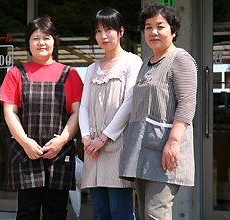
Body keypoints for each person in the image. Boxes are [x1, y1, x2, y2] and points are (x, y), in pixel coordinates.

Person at [119, 2, 197, 220]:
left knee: (156, 214)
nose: (153, 32)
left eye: (160, 26)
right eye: (148, 26)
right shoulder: (146, 63)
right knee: (144, 214)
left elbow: (187, 103)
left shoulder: (180, 59)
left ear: (173, 31)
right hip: (141, 152)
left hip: (165, 153)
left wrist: (173, 142)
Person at [0, 16, 83, 220]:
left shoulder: (70, 74)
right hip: (25, 151)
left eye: (46, 37)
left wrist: (62, 140)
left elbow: (77, 113)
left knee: (56, 211)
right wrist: (25, 142)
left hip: (60, 153)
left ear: (54, 41)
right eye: (35, 38)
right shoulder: (15, 73)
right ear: (28, 42)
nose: (41, 43)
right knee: (27, 211)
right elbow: (10, 113)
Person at [79, 8, 142, 220]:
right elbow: (84, 107)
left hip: (118, 148)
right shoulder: (92, 68)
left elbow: (130, 103)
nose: (103, 36)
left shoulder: (132, 62)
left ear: (121, 31)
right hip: (93, 152)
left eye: (108, 29)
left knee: (120, 211)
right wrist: (87, 138)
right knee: (99, 212)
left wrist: (103, 138)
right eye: (98, 31)